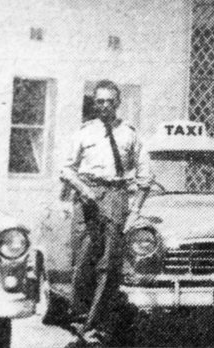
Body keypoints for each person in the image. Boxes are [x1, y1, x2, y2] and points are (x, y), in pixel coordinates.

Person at [60, 80, 149, 345]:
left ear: (118, 103)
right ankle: (80, 322)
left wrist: (135, 210)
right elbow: (66, 169)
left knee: (109, 265)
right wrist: (83, 189)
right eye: (100, 101)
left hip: (115, 196)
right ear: (94, 103)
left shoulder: (130, 134)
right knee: (83, 261)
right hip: (86, 197)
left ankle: (94, 328)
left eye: (110, 101)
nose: (105, 106)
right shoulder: (84, 132)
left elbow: (145, 176)